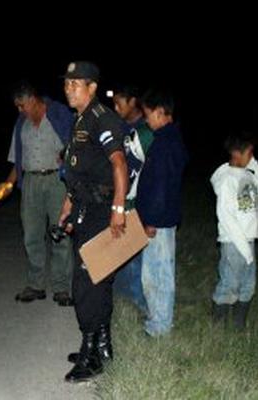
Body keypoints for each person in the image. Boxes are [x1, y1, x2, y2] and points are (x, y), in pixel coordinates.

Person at [58, 61, 128, 382]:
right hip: (85, 208)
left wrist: (118, 210)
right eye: (67, 84)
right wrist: (67, 209)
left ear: (93, 87)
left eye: (76, 84)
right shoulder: (80, 121)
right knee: (97, 281)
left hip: (101, 211)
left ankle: (92, 355)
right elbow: (77, 173)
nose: (69, 89)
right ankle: (102, 345)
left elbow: (119, 165)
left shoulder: (103, 119)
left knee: (88, 284)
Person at [0, 82, 74, 306]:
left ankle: (61, 288)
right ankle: (36, 285)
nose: (19, 111)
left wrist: (67, 157)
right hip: (30, 181)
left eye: (21, 105)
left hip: (57, 181)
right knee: (32, 235)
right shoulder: (22, 123)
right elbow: (18, 161)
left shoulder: (59, 114)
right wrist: (8, 184)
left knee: (60, 234)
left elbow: (78, 145)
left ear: (32, 100)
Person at [136, 89, 188, 337]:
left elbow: (160, 186)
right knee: (154, 273)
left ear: (159, 112)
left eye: (147, 115)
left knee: (158, 275)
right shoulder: (167, 140)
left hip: (159, 222)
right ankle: (157, 319)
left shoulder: (165, 145)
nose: (146, 120)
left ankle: (161, 326)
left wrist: (151, 220)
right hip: (160, 219)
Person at [210, 132, 258, 330]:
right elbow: (226, 218)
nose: (252, 157)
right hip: (234, 242)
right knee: (230, 284)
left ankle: (238, 326)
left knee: (247, 285)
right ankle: (218, 327)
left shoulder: (247, 175)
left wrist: (256, 167)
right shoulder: (227, 180)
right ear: (236, 152)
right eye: (249, 153)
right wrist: (244, 249)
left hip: (248, 240)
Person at [112, 85, 153, 313]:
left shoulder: (146, 131)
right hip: (121, 199)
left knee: (136, 256)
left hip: (138, 201)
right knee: (120, 253)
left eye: (120, 103)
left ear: (133, 101)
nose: (116, 108)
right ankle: (121, 300)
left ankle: (137, 302)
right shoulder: (120, 128)